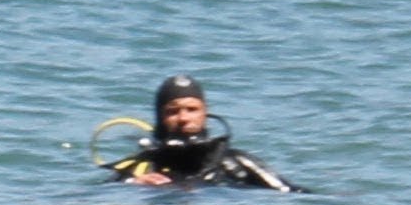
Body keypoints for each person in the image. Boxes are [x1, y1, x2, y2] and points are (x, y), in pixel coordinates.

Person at [114, 74, 295, 190]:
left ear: (205, 113)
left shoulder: (233, 162)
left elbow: (292, 194)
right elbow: (105, 194)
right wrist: (134, 184)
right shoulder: (142, 167)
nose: (183, 118)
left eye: (192, 109)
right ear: (160, 117)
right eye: (173, 112)